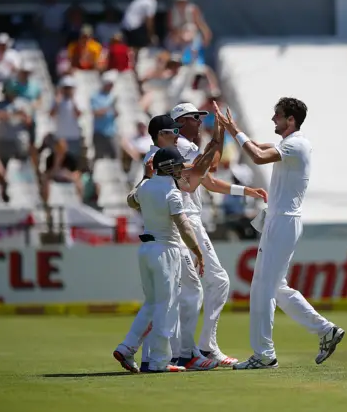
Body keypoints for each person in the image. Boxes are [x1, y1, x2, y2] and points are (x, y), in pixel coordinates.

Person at [214, 98, 345, 370]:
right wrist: (233, 128)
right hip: (281, 221)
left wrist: (234, 130)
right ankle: (325, 330)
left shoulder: (295, 144)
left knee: (262, 288)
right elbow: (260, 147)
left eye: (278, 115)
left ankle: (264, 355)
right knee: (277, 288)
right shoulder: (291, 143)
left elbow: (258, 156)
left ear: (291, 120)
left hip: (283, 221)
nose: (273, 119)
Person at [169, 102, 268, 367]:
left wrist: (245, 191)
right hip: (185, 219)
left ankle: (188, 349)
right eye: (194, 118)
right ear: (179, 123)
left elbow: (208, 179)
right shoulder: (181, 147)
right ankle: (195, 350)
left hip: (187, 219)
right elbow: (208, 170)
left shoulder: (184, 148)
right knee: (209, 284)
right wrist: (219, 134)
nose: (199, 122)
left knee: (194, 287)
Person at [125, 114, 221, 372]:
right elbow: (194, 177)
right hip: (168, 244)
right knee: (173, 302)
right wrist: (212, 147)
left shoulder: (152, 174)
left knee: (157, 303)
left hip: (150, 245)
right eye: (172, 131)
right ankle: (178, 355)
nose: (177, 135)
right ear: (159, 135)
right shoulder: (163, 170)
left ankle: (138, 352)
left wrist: (145, 184)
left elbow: (131, 200)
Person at [113, 143, 204, 374]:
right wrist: (198, 252)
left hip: (146, 251)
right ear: (169, 167)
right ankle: (159, 362)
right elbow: (183, 226)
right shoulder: (172, 192)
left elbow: (131, 201)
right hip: (166, 251)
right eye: (178, 167)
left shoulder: (145, 187)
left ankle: (126, 348)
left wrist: (145, 176)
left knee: (152, 304)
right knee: (167, 306)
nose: (181, 171)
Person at [121, 0, 158, 68]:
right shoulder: (151, 1)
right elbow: (149, 20)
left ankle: (131, 66)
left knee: (131, 49)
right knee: (138, 48)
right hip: (133, 25)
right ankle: (135, 67)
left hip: (126, 25)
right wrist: (151, 35)